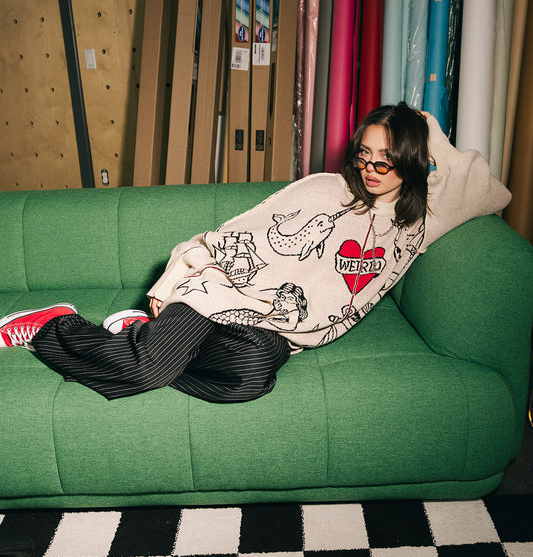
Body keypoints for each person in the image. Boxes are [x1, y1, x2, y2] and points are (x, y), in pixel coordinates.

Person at [0, 104, 511, 402]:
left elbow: (490, 190)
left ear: (412, 160)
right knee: (145, 373)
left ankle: (140, 338)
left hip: (274, 330)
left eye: (388, 159)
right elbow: (229, 238)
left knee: (249, 380)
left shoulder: (420, 220)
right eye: (365, 155)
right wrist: (172, 282)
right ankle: (55, 326)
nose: (372, 169)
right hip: (217, 294)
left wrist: (417, 122)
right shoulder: (325, 191)